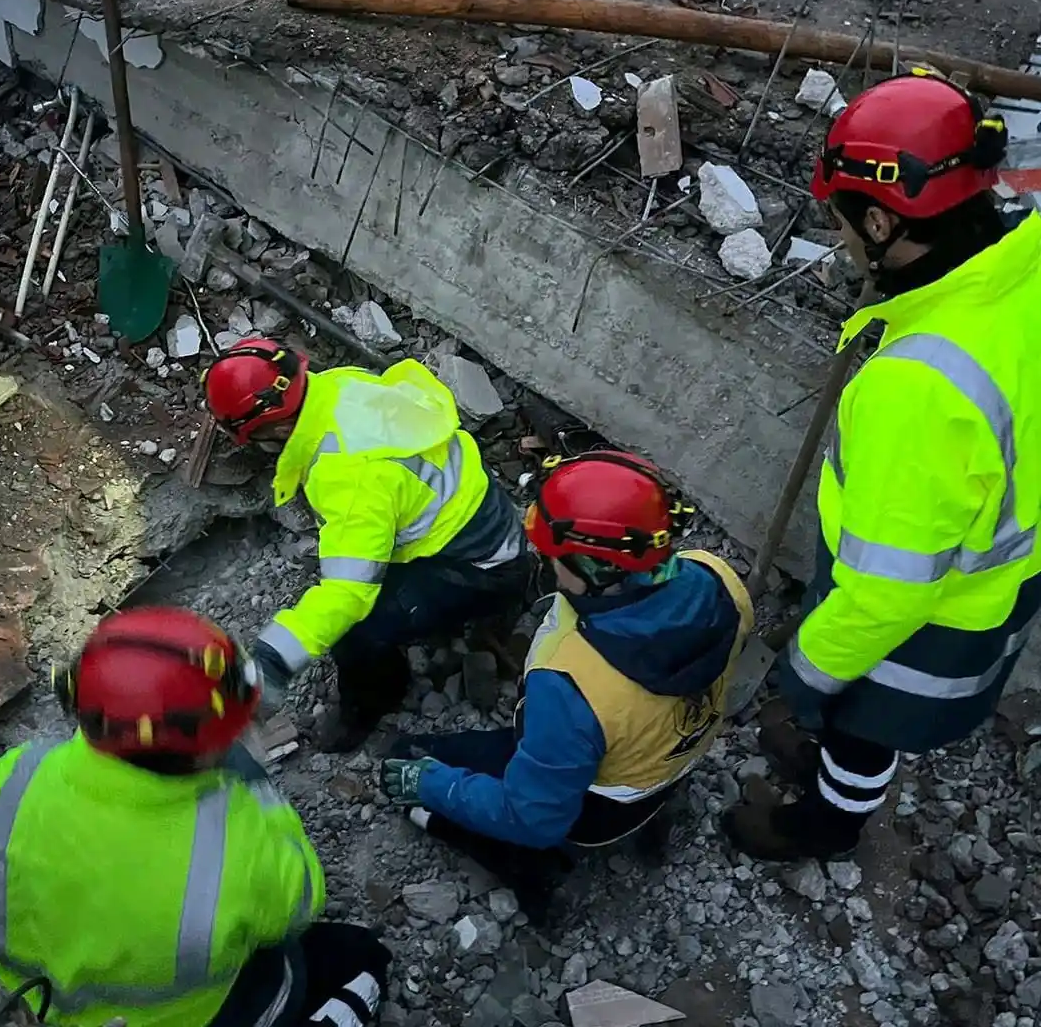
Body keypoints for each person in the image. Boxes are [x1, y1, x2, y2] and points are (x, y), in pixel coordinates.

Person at [723, 72, 1041, 862]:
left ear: (880, 220)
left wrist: (805, 670)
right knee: (861, 714)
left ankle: (830, 823)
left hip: (936, 609)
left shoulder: (919, 389)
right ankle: (833, 764)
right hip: (998, 565)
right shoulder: (1019, 264)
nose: (836, 238)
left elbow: (887, 592)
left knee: (867, 719)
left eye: (840, 221)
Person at [0, 607, 391, 1027]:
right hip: (200, 1013)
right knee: (360, 957)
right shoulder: (238, 845)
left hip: (44, 1005)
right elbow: (301, 904)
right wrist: (259, 798)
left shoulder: (1, 784)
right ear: (209, 743)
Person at [380, 451, 753, 910]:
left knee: (409, 761)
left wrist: (433, 785)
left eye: (554, 554)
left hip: (599, 810)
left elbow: (533, 817)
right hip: (669, 762)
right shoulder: (720, 579)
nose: (544, 558)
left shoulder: (571, 682)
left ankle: (528, 871)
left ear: (593, 569)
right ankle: (654, 821)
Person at [202, 339, 531, 752]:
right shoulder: (336, 387)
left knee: (356, 629)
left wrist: (272, 658)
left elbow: (349, 595)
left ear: (272, 428)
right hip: (481, 515)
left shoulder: (347, 474)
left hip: (479, 567)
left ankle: (372, 702)